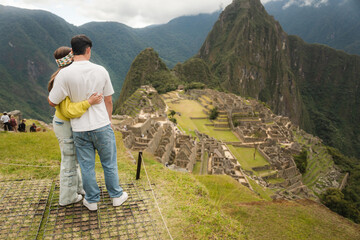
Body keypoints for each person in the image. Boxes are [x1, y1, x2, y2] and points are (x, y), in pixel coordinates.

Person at [48, 35, 128, 211]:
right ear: (88, 50)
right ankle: (116, 196)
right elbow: (108, 100)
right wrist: (108, 120)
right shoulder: (101, 70)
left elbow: (52, 101)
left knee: (86, 166)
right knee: (109, 164)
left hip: (79, 129)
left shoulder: (64, 75)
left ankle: (92, 201)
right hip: (102, 126)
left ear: (72, 50)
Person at [48, 46, 103, 206]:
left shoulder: (62, 76)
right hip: (64, 123)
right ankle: (67, 197)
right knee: (69, 162)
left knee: (74, 160)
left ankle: (79, 188)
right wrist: (89, 102)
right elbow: (68, 110)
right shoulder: (63, 79)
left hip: (64, 123)